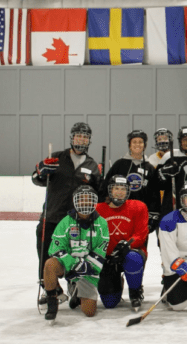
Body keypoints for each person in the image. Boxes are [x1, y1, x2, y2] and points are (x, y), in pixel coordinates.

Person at [33, 122, 102, 306]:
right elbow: (37, 179)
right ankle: (50, 287)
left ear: (89, 140)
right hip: (52, 216)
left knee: (76, 253)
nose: (82, 140)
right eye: (78, 136)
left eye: (85, 137)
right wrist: (40, 172)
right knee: (46, 252)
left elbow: (98, 193)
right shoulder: (56, 157)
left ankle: (75, 284)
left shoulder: (92, 165)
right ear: (72, 138)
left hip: (77, 220)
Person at [42, 185, 109, 322]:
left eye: (88, 199)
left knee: (89, 312)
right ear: (75, 201)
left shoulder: (102, 223)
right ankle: (52, 303)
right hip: (69, 265)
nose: (85, 202)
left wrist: (86, 267)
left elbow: (101, 249)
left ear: (94, 201)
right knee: (50, 264)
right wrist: (73, 264)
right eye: (82, 199)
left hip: (87, 268)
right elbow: (55, 248)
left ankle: (76, 290)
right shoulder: (66, 222)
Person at [95, 175, 149, 311]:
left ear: (128, 191)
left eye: (123, 189)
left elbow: (141, 234)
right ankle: (117, 281)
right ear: (110, 190)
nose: (120, 192)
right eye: (116, 188)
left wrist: (127, 245)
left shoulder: (138, 206)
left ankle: (135, 292)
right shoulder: (98, 209)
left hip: (130, 252)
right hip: (108, 258)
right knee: (109, 303)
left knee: (133, 258)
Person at [100, 130, 160, 233]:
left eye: (140, 142)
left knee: (139, 241)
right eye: (134, 142)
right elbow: (105, 187)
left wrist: (153, 215)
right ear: (129, 145)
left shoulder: (149, 168)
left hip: (141, 215)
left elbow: (154, 194)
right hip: (119, 214)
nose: (137, 145)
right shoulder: (119, 165)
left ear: (145, 145)